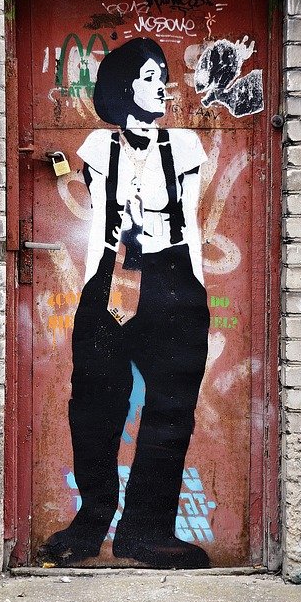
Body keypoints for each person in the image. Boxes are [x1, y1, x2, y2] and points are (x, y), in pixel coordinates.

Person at [38, 37, 210, 569]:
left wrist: (194, 294)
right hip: (110, 276)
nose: (162, 86)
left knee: (170, 411)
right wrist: (96, 287)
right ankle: (91, 524)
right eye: (149, 77)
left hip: (171, 279)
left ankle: (146, 532)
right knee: (94, 407)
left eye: (163, 76)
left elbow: (191, 222)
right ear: (123, 87)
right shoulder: (98, 147)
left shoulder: (185, 147)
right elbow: (99, 222)